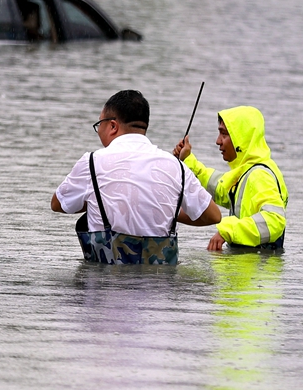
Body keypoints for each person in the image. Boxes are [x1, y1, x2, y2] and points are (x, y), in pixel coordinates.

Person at [52, 90, 221, 264]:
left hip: (105, 287)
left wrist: (100, 199)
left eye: (99, 124)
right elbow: (213, 216)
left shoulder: (92, 162)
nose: (98, 130)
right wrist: (164, 206)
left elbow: (58, 204)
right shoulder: (176, 166)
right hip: (162, 288)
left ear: (112, 126)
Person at [173, 106, 287, 251]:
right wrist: (187, 161)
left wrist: (228, 231)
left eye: (224, 134)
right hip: (250, 267)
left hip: (258, 270)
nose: (218, 141)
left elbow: (275, 220)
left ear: (241, 138)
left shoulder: (259, 175)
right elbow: (221, 189)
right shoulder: (247, 172)